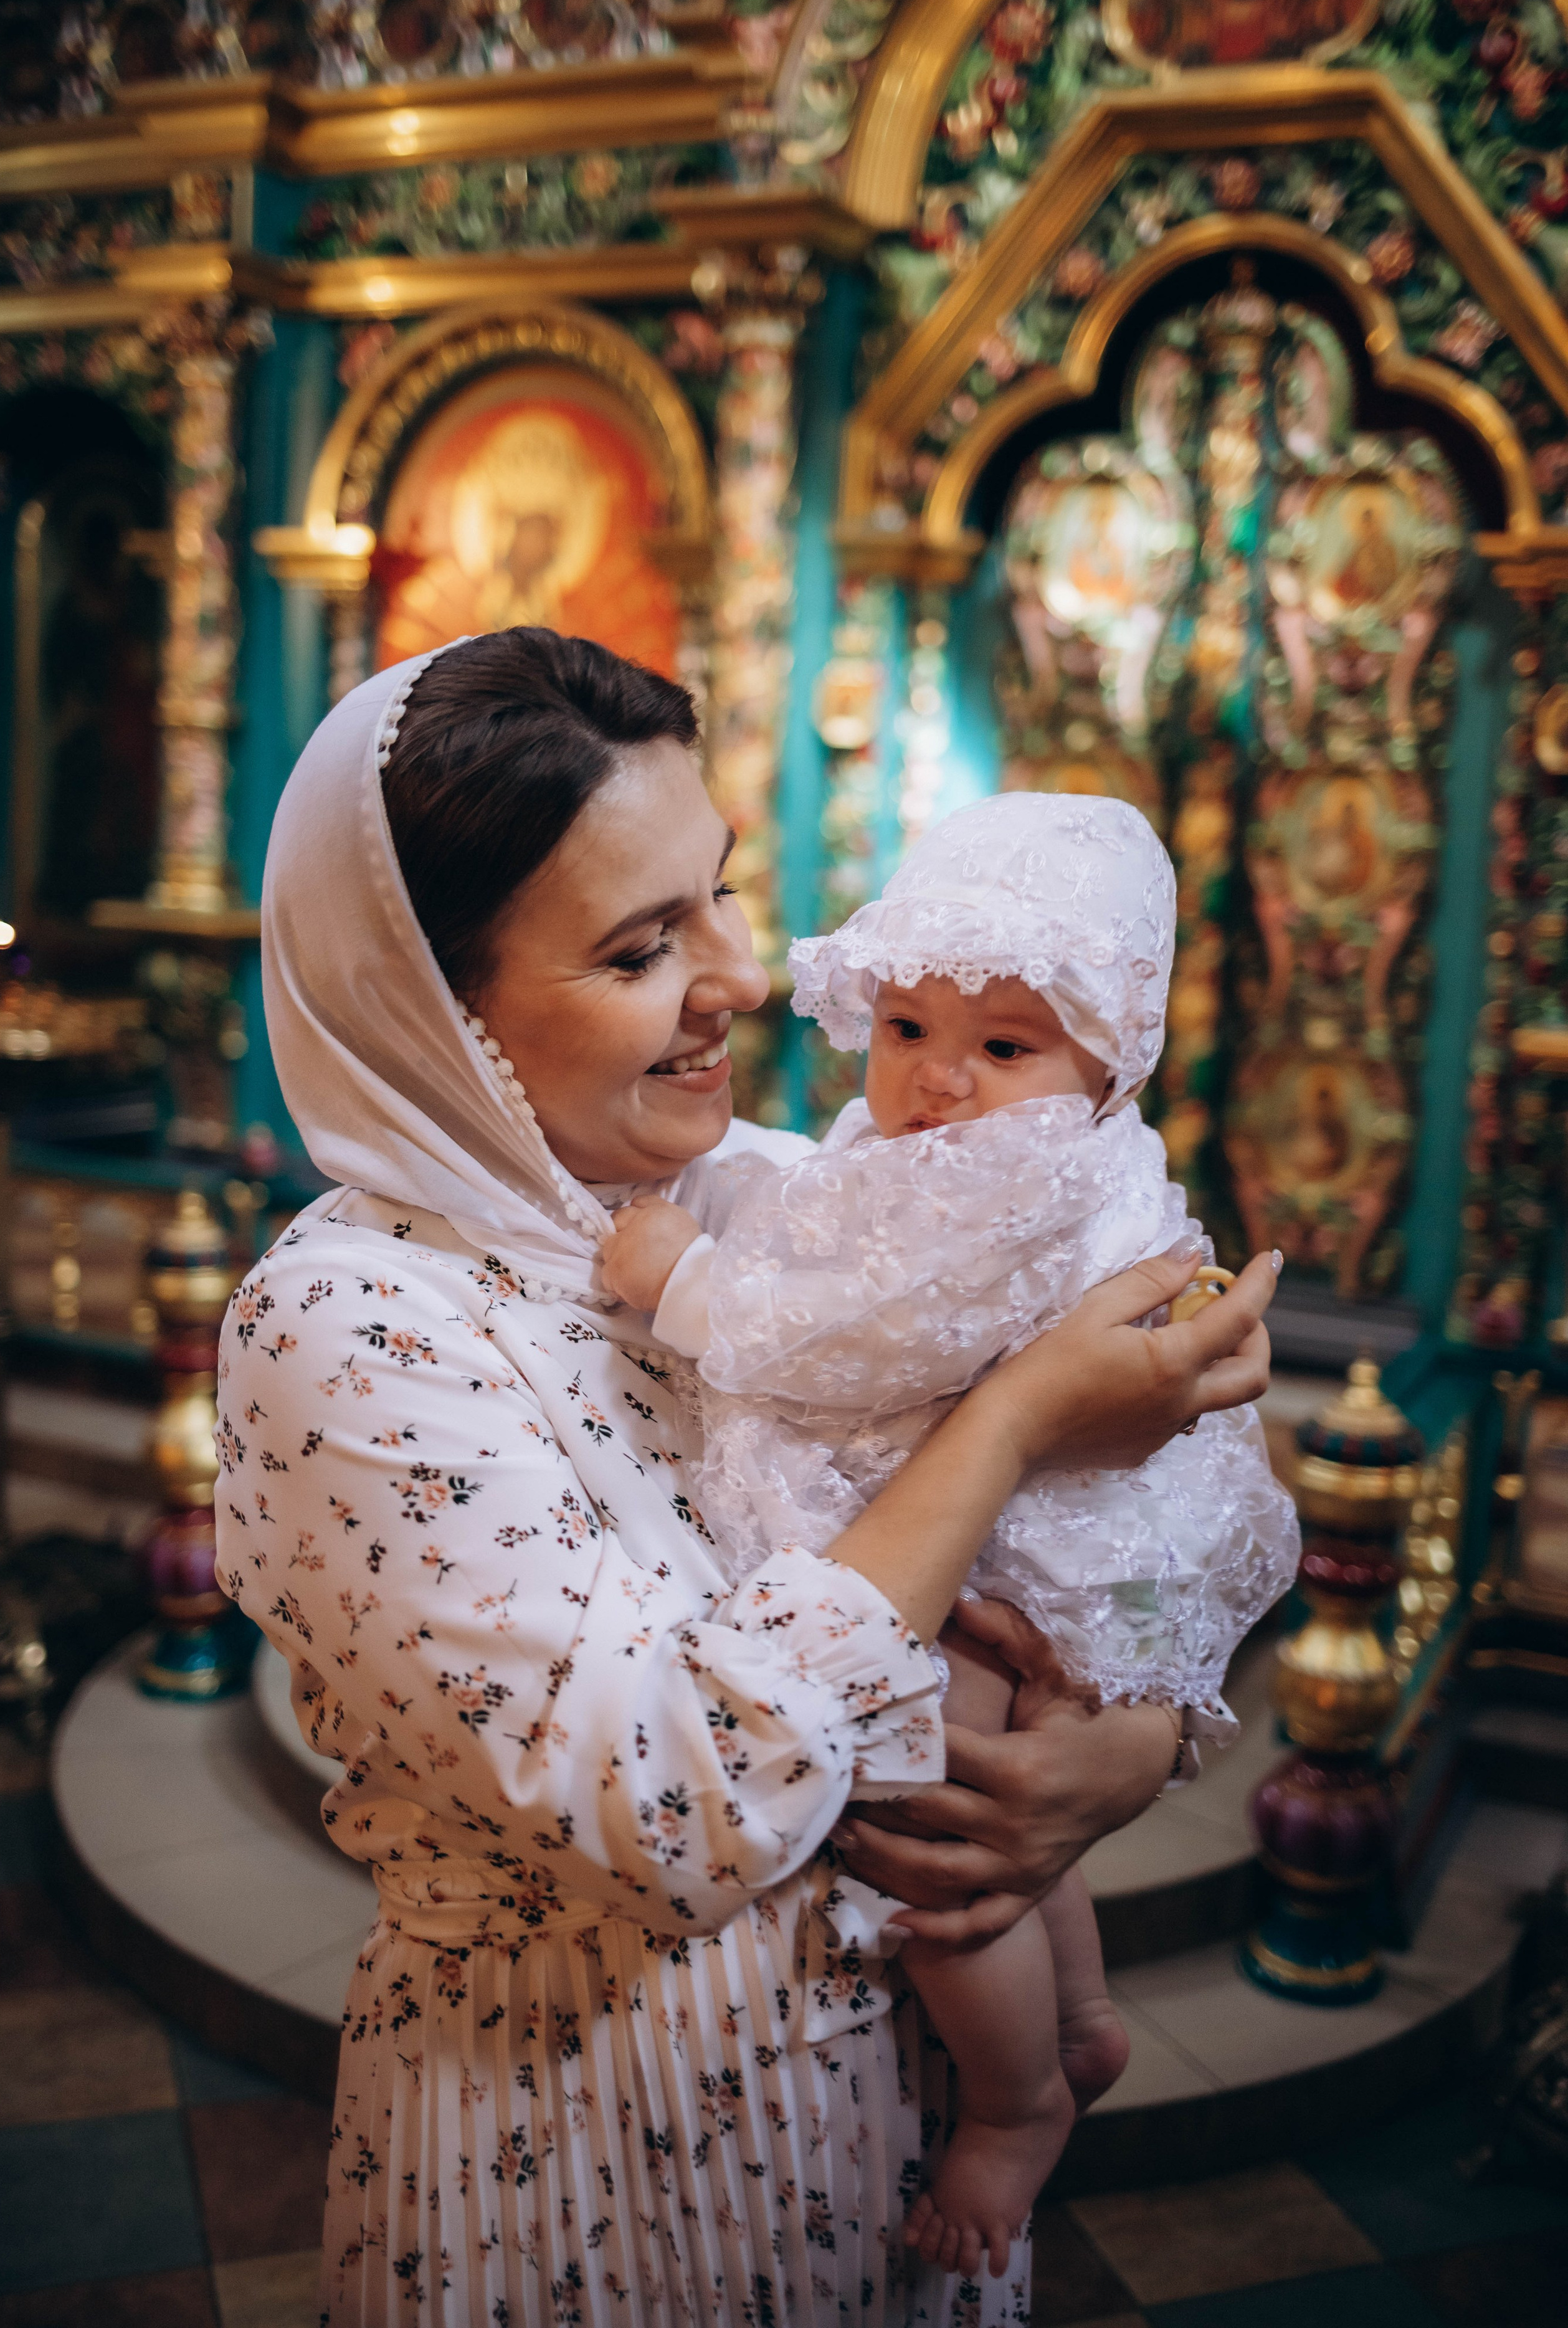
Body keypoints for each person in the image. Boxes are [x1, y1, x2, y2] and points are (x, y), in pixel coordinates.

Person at [217, 630, 1276, 2326]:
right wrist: (1010, 1422)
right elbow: (670, 1812)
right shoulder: (349, 1325)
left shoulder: (780, 1189)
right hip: (585, 2148)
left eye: (720, 892)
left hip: (893, 2133)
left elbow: (1133, 1502)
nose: (741, 974)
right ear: (432, 1004)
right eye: (643, 947)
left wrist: (1120, 1747)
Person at [602, 793, 1298, 2277]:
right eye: (907, 1026)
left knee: (928, 1829)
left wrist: (685, 1285)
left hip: (1036, 1550)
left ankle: (1015, 2098)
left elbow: (857, 1336)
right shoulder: (968, 1141)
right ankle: (1082, 2019)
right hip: (1033, 1526)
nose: (936, 1077)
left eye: (1003, 1047)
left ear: (1109, 1063)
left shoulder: (1021, 1176)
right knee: (1009, 1814)